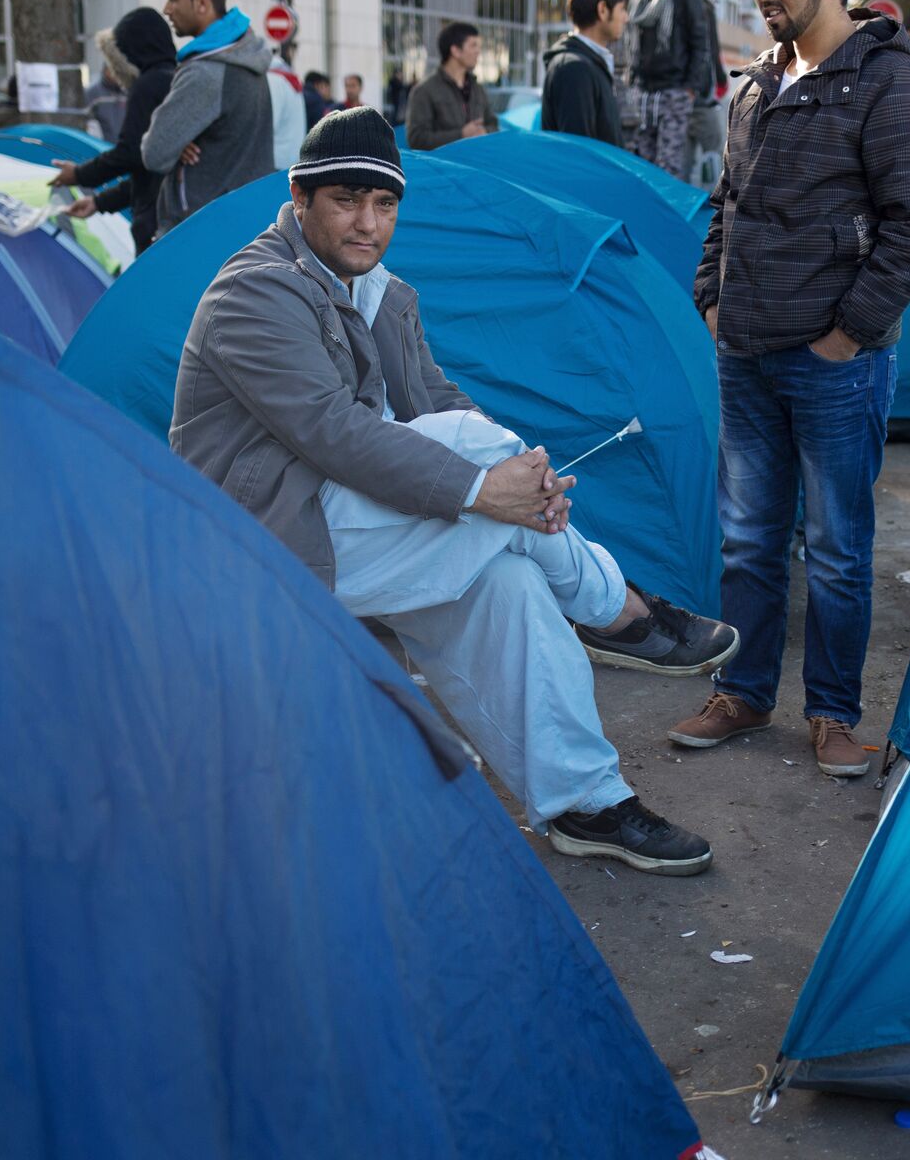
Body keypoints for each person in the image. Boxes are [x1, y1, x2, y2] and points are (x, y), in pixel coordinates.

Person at [171, 106, 733, 874]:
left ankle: (587, 804)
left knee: (510, 586)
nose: (368, 223)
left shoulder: (384, 293)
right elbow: (337, 433)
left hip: (355, 527)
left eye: (385, 204)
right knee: (478, 472)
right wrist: (482, 489)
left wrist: (519, 489)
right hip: (268, 542)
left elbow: (439, 400)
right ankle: (616, 609)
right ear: (300, 199)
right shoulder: (255, 294)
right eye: (346, 200)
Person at [672, 0, 910, 776]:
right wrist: (710, 298)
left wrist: (845, 338)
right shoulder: (755, 82)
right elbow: (725, 203)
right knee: (748, 542)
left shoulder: (889, 79)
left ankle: (832, 714)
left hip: (836, 365)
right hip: (744, 354)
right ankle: (744, 695)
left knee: (835, 551)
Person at [140, 0, 274, 235]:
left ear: (202, 3)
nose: (166, 9)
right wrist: (179, 141)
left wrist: (175, 142)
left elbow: (154, 152)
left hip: (201, 231)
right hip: (242, 223)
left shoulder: (206, 72)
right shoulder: (245, 55)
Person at [54, 8, 177, 253]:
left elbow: (131, 153)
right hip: (174, 216)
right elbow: (148, 173)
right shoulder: (178, 78)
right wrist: (99, 202)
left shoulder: (148, 85)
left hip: (155, 222)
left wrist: (79, 175)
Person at [625, 0, 713, 176]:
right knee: (642, 163)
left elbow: (700, 44)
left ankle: (668, 213)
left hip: (675, 90)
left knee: (669, 165)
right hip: (643, 91)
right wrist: (633, 81)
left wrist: (689, 88)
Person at [542, 0, 630, 145]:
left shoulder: (586, 63)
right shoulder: (574, 69)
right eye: (623, 9)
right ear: (603, 10)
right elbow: (578, 154)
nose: (626, 18)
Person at [405, 21, 499, 150]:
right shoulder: (424, 91)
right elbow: (416, 139)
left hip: (476, 166)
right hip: (443, 169)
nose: (478, 51)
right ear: (455, 50)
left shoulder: (478, 89)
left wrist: (485, 131)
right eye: (473, 45)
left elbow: (494, 125)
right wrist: (461, 134)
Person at [685, 0, 732, 185]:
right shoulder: (702, 7)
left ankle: (684, 207)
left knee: (683, 160)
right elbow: (708, 50)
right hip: (701, 96)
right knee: (714, 147)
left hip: (683, 95)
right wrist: (718, 80)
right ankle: (710, 202)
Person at [267, 48, 307, 169]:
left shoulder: (273, 80)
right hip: (292, 158)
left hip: (276, 159)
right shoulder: (289, 79)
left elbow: (269, 123)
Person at [85, 65, 128, 141]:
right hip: (102, 146)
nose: (115, 74)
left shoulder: (128, 92)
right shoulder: (93, 93)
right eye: (112, 70)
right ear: (105, 71)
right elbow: (87, 120)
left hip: (126, 146)